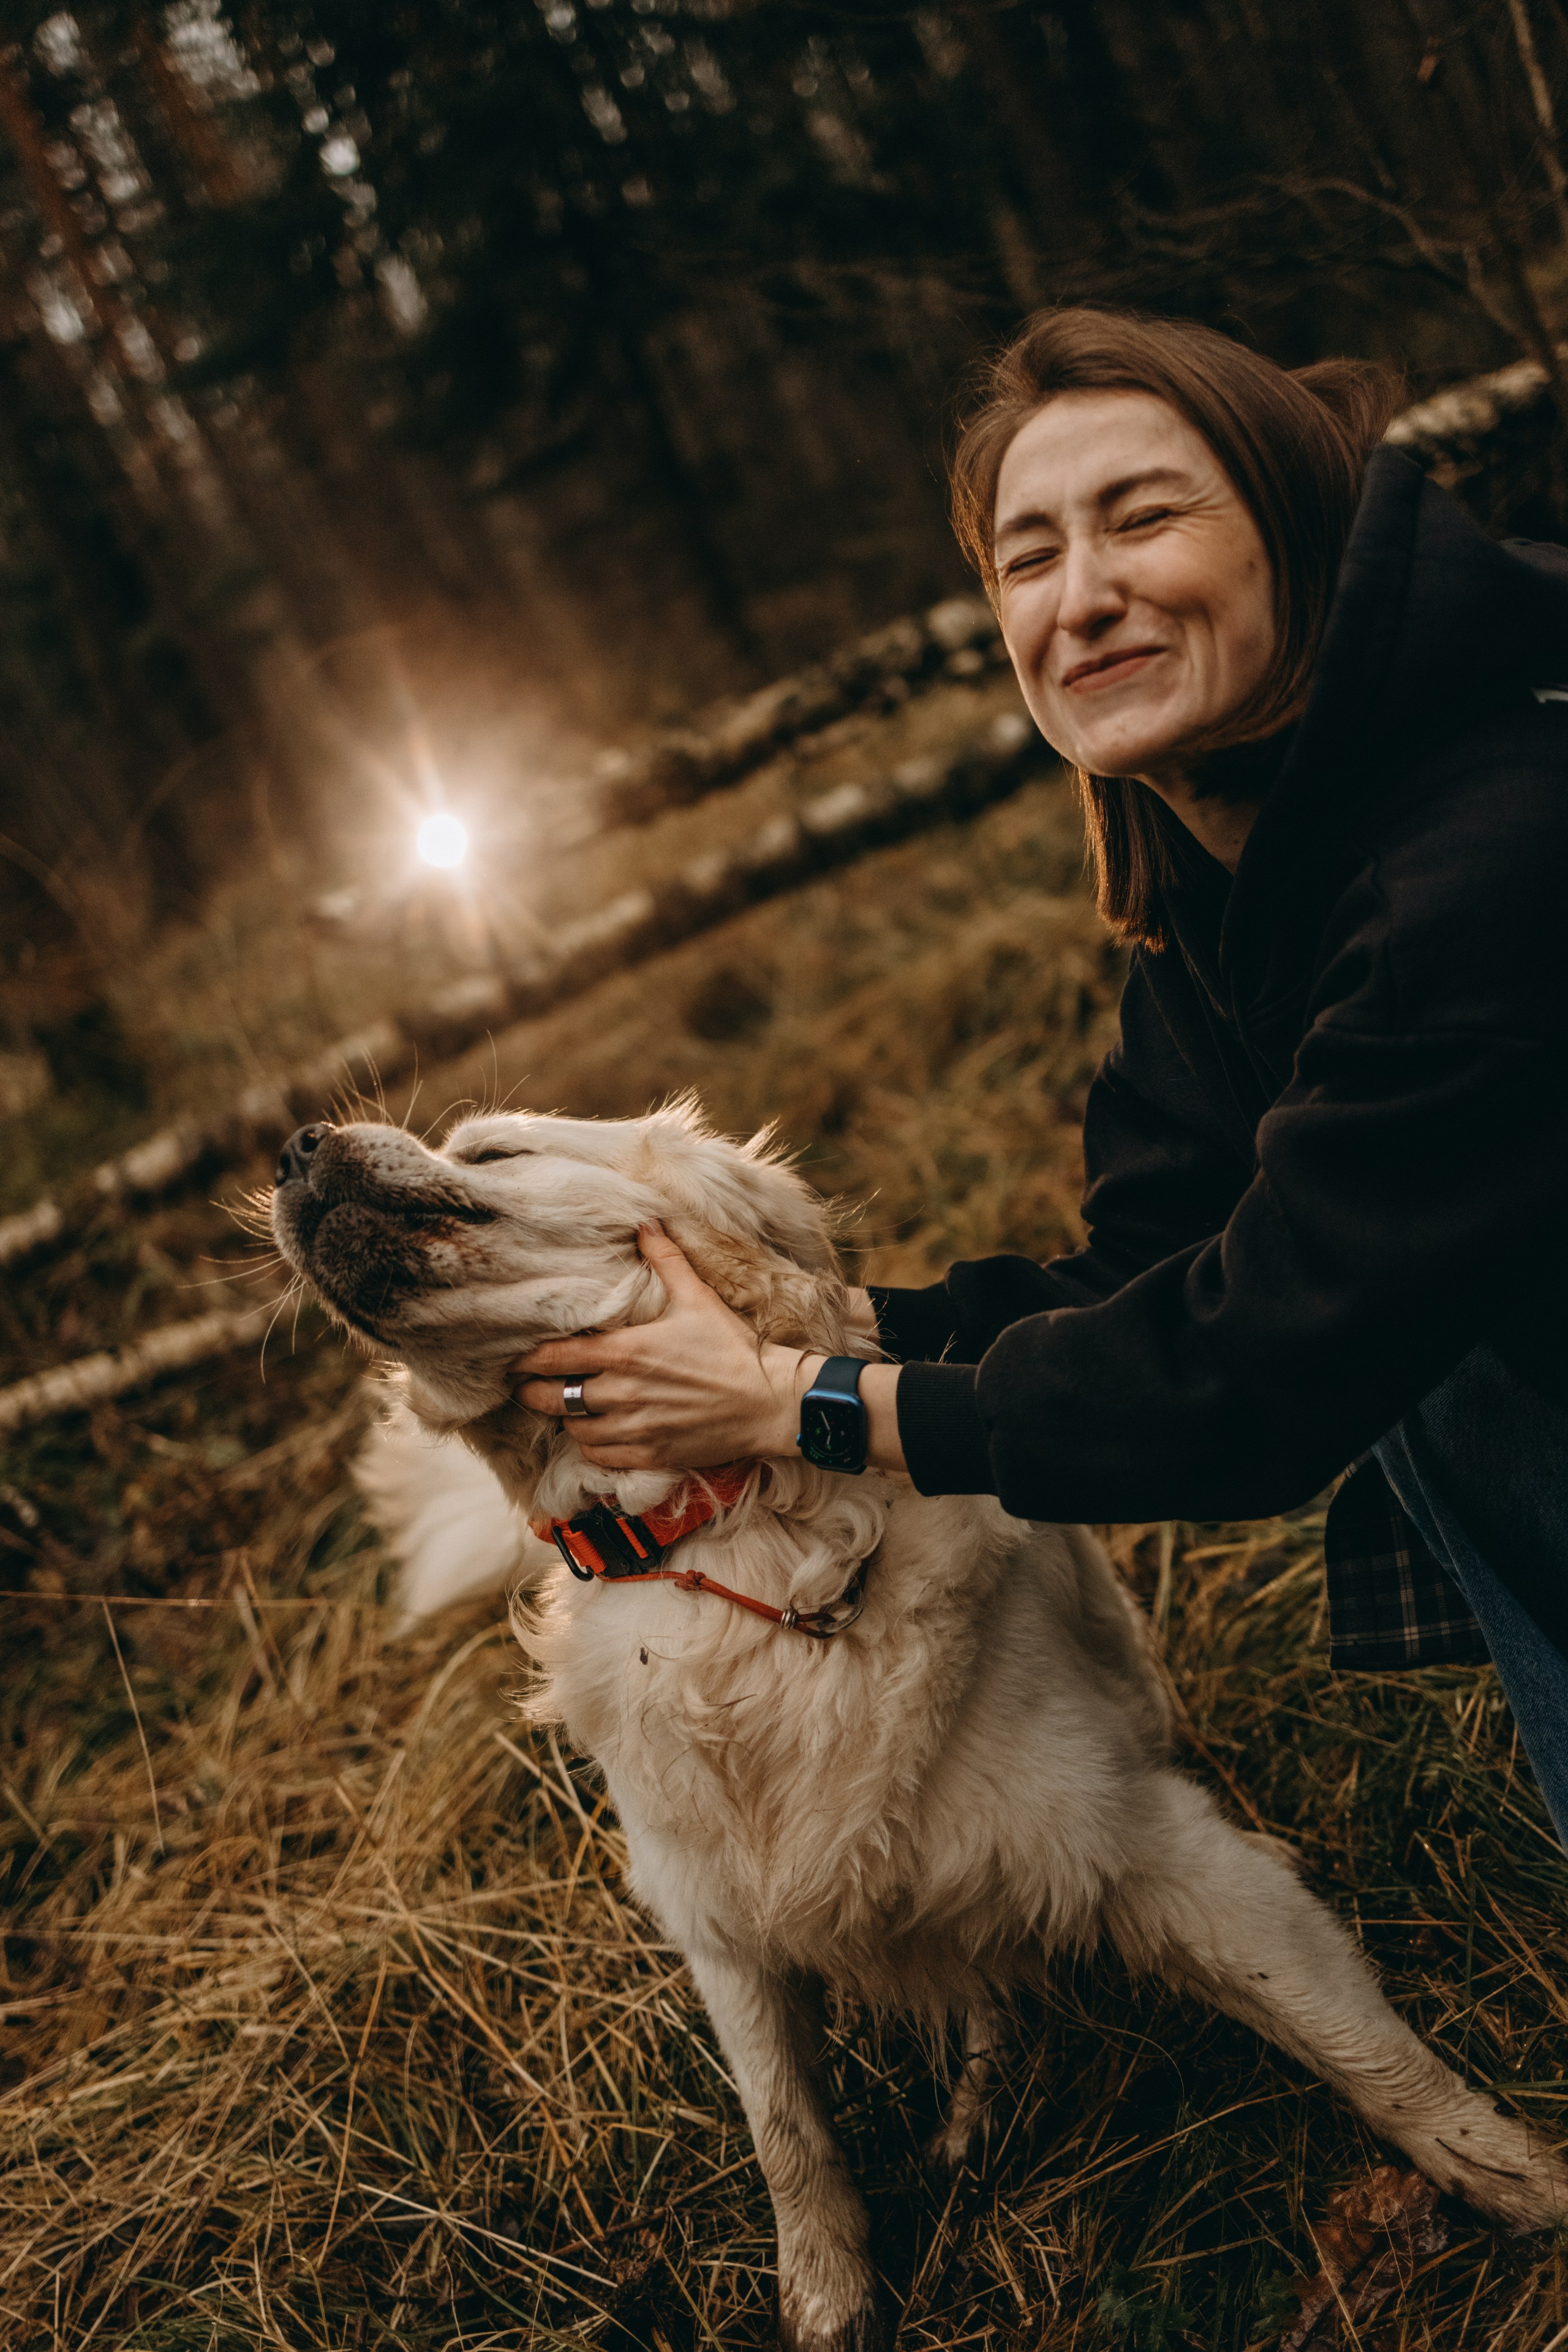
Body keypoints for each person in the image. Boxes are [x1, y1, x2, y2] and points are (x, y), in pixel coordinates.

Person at [515, 306, 1568, 1849]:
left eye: (1144, 518)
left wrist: (791, 1404)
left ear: (1298, 531)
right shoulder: (1235, 894)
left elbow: (1250, 1375)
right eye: (1025, 557)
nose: (1082, 599)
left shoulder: (1486, 855)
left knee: (1426, 1346)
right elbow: (1149, 1264)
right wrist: (801, 1329)